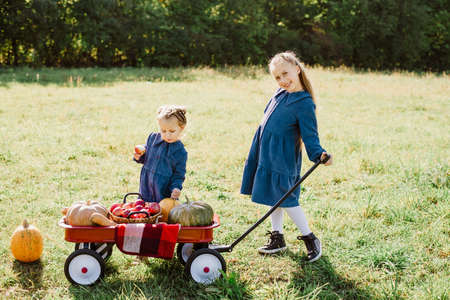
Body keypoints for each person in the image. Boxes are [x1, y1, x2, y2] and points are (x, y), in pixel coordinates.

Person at [240, 51, 332, 262]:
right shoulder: (280, 94)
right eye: (277, 77)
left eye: (285, 73)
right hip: (266, 154)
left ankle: (310, 238)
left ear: (297, 69)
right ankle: (277, 237)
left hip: (282, 159)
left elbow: (310, 134)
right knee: (274, 198)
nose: (282, 80)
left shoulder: (304, 102)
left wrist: (319, 154)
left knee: (286, 199)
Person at [134, 105, 188, 202]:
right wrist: (139, 156)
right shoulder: (152, 138)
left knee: (162, 212)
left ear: (181, 128)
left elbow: (178, 175)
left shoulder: (180, 152)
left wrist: (176, 188)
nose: (167, 135)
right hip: (146, 185)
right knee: (144, 209)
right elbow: (146, 156)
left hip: (163, 191)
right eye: (163, 131)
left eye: (172, 131)